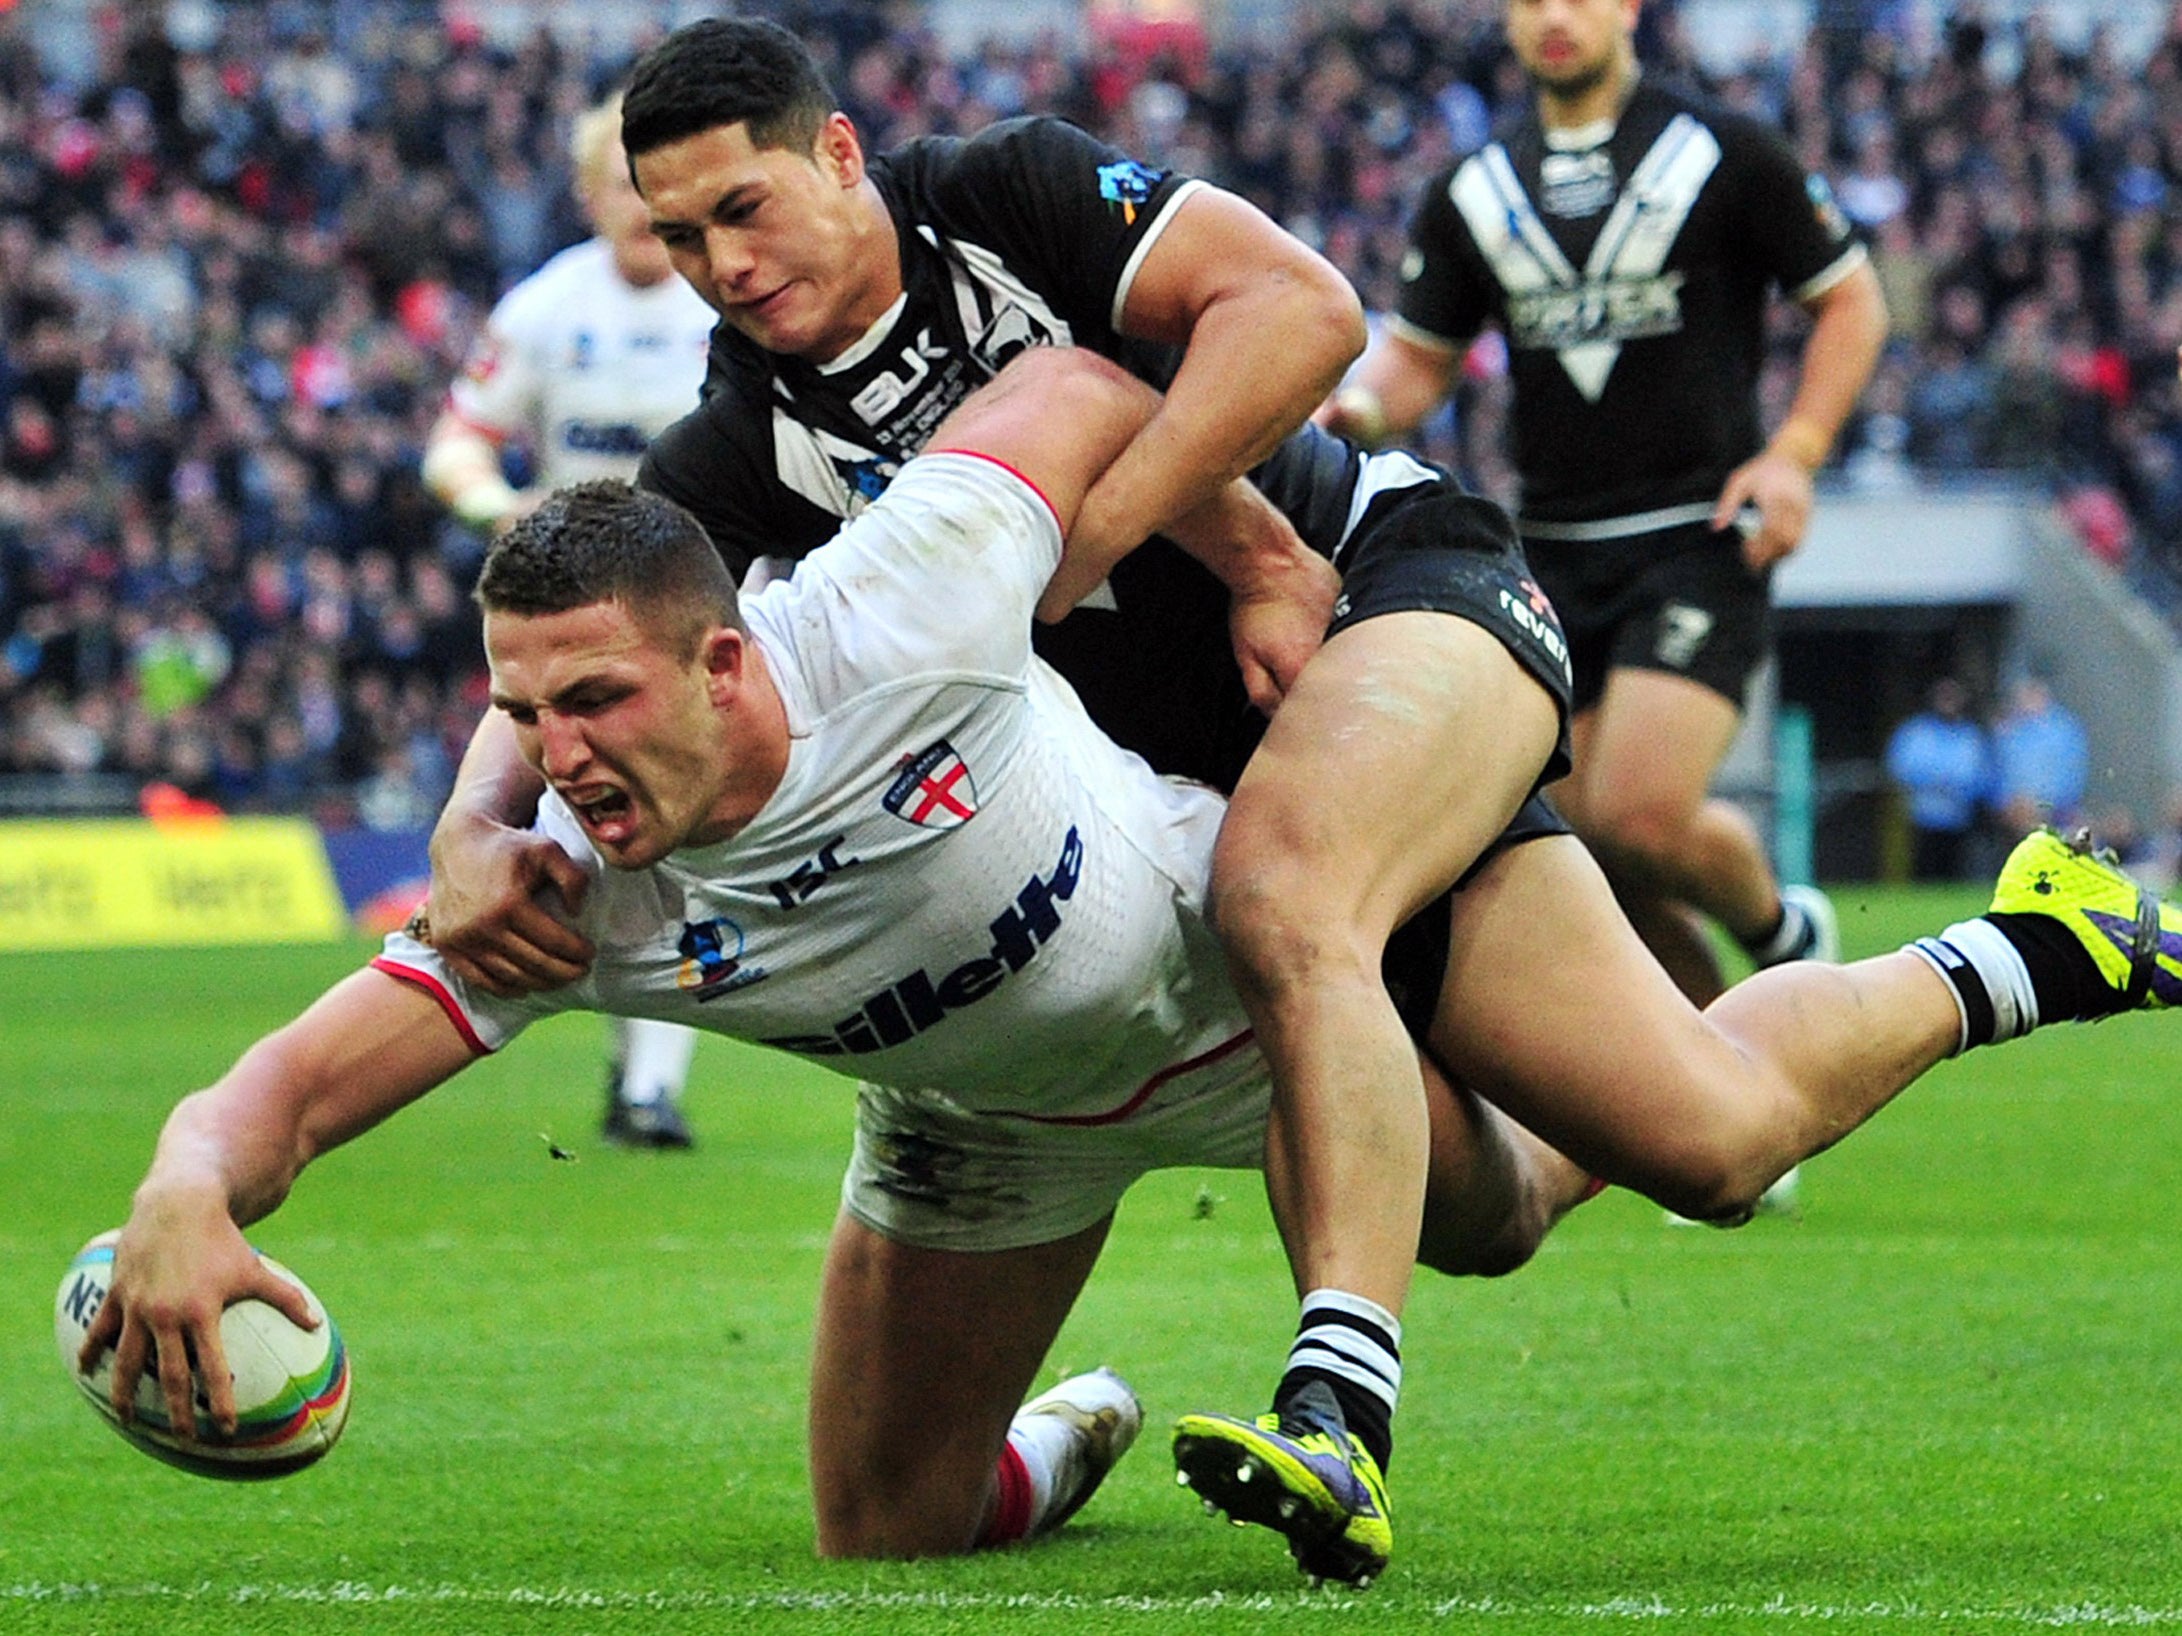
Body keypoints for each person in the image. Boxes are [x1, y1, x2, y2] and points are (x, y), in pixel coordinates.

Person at [82, 352, 2181, 1589]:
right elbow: (273, 1090)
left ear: (727, 656)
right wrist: (185, 1184)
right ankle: (1075, 1420)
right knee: (887, 1525)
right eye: (520, 718)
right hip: (978, 1126)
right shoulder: (556, 881)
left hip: (1253, 996)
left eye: (594, 704)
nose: (558, 760)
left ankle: (2018, 941)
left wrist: (1261, 556)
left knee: (1624, 1176)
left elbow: (1084, 381)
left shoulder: (899, 595)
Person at [422, 15, 1581, 1577]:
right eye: (677, 234)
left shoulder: (1007, 194)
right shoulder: (736, 428)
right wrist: (468, 820)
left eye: (742, 213)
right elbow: (598, 613)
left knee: (1321, 923)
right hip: (1161, 770)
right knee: (1511, 1200)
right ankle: (1088, 1414)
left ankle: (1337, 1417)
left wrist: (1141, 552)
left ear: (837, 155)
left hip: (1359, 606)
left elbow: (1304, 315)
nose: (718, 263)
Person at [1317, 0, 1890, 1009]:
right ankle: (1721, 1081)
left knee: (1638, 814)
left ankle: (1783, 928)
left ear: (1627, 7)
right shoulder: (1474, 189)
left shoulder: (1722, 150)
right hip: (1548, 552)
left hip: (1699, 534)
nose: (1554, 15)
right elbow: (1419, 358)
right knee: (1593, 854)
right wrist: (1354, 409)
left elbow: (1849, 299)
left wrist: (1794, 456)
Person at [421, 93, 719, 1149]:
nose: (641, 205)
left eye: (655, 183)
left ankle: (648, 1085)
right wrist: (499, 513)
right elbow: (454, 445)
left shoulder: (721, 301)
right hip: (561, 616)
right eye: (620, 183)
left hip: (687, 607)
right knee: (601, 825)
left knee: (673, 822)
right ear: (590, 195)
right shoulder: (545, 309)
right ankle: (615, 1051)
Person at [1884, 676, 1992, 882]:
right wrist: (1932, 782)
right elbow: (1899, 767)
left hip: (1959, 816)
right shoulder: (1916, 732)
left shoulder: (1970, 735)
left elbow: (1984, 774)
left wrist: (1962, 789)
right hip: (1923, 815)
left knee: (1955, 870)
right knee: (1924, 869)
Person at [1990, 672, 2090, 839]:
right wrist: (2006, 801)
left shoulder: (2065, 730)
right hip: (2009, 817)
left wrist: (2041, 805)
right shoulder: (2007, 728)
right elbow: (1996, 769)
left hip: (2052, 816)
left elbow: (2072, 777)